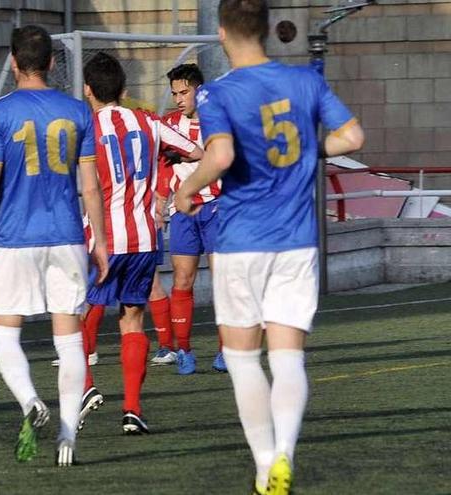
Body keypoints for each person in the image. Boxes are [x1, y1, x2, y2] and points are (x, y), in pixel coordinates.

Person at [174, 0, 364, 493]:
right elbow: (353, 136)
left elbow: (221, 154)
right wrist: (311, 147)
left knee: (241, 359)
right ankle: (284, 455)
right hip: (296, 243)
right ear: (266, 31)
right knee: (287, 358)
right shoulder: (305, 81)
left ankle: (264, 466)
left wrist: (185, 189)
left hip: (240, 242)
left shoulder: (218, 92)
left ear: (220, 34)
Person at [0, 25, 109, 467]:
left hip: (16, 237)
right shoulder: (76, 111)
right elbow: (91, 187)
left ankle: (31, 401)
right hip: (67, 235)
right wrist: (100, 242)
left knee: (4, 332)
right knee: (69, 341)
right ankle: (68, 434)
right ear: (52, 62)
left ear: (13, 62)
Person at [76, 52, 202, 435]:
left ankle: (85, 387)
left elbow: (80, 183)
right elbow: (196, 152)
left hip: (104, 237)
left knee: (77, 316)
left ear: (87, 91)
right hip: (145, 237)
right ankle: (132, 409)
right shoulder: (148, 121)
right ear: (124, 89)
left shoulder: (86, 126)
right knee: (132, 319)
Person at [152, 63, 227, 374]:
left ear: (199, 89)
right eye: (174, 93)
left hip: (217, 208)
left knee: (224, 282)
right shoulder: (168, 124)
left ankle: (227, 350)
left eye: (184, 92)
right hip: (183, 213)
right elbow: (164, 167)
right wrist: (159, 202)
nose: (179, 99)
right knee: (182, 280)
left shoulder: (217, 121)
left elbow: (222, 158)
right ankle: (183, 350)